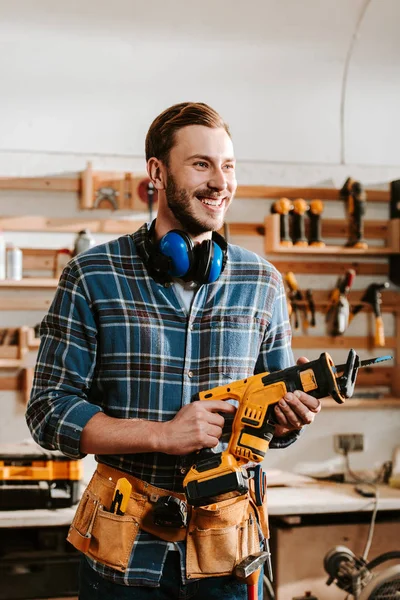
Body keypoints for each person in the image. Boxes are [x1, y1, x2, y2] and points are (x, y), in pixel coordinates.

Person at [26, 102, 321, 600]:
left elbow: (270, 415)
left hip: (225, 554)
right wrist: (163, 435)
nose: (219, 182)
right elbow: (49, 413)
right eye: (201, 164)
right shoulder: (93, 276)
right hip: (123, 556)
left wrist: (285, 420)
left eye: (227, 166)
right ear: (157, 173)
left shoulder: (262, 284)